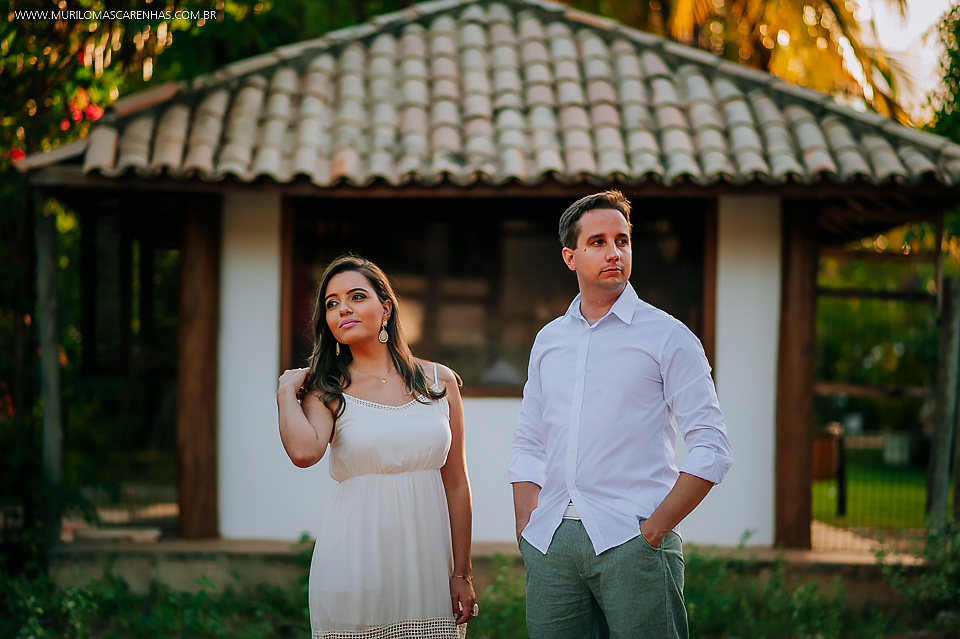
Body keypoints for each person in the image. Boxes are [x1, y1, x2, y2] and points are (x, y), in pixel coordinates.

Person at [509, 191, 734, 639]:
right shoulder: (549, 340)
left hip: (635, 540)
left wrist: (654, 531)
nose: (614, 253)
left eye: (622, 240)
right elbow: (530, 441)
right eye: (597, 242)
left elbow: (712, 447)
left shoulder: (669, 337)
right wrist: (527, 528)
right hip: (551, 541)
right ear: (570, 256)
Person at [277, 255, 477, 639]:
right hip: (354, 562)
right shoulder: (327, 390)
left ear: (385, 308)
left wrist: (461, 572)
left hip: (427, 567)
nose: (343, 308)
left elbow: (456, 483)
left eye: (356, 296)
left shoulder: (439, 381)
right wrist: (287, 391)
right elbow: (303, 453)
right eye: (332, 304)